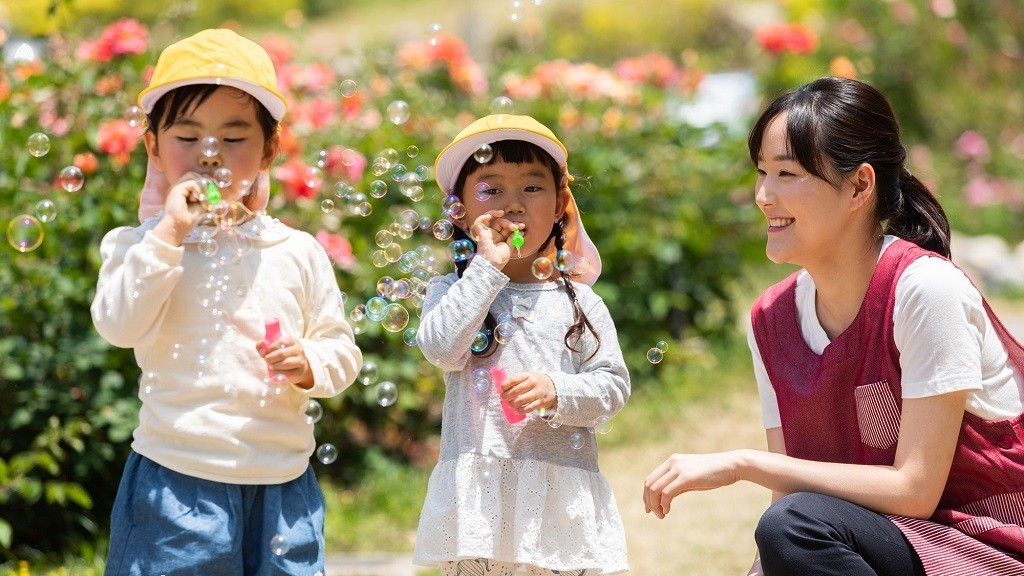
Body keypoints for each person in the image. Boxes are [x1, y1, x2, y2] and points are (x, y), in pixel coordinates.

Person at [643, 76, 1024, 576]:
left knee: (795, 523)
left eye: (787, 174)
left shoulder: (925, 291)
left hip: (988, 551)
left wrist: (742, 464)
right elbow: (791, 505)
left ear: (860, 185)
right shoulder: (771, 320)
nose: (763, 195)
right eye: (761, 172)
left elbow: (914, 490)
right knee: (791, 525)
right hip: (884, 547)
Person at [90, 29, 362, 575]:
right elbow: (119, 325)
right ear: (152, 147)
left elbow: (342, 349)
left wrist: (311, 364)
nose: (209, 156)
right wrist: (166, 232)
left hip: (284, 486)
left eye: (233, 138)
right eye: (187, 138)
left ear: (269, 149)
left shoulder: (297, 251)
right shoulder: (138, 245)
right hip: (177, 481)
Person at [413, 114, 631, 575]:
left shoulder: (580, 302)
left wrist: (559, 390)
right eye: (491, 190)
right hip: (480, 504)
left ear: (559, 206)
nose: (513, 205)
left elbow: (612, 386)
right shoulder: (453, 291)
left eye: (532, 188)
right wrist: (487, 269)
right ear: (461, 210)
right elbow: (439, 348)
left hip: (559, 502)